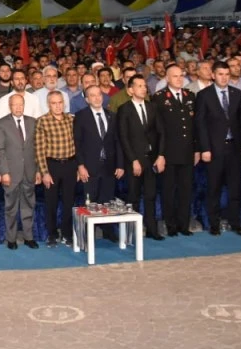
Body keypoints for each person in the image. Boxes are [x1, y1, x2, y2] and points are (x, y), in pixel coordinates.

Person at [195, 62, 241, 236]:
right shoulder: (204, 95)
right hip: (214, 149)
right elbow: (200, 124)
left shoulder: (236, 93)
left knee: (235, 188)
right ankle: (214, 224)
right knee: (214, 189)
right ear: (213, 75)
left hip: (235, 147)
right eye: (220, 74)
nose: (224, 77)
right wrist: (204, 148)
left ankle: (235, 223)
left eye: (227, 74)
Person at [151, 65, 197, 237]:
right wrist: (159, 154)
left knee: (185, 190)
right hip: (168, 152)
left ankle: (183, 225)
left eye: (181, 76)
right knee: (168, 191)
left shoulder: (190, 96)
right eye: (175, 76)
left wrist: (197, 149)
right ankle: (170, 225)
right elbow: (157, 130)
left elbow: (194, 126)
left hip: (187, 151)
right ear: (167, 79)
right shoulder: (160, 98)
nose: (179, 79)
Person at [117, 75, 163, 240]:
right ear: (130, 90)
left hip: (151, 158)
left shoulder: (152, 107)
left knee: (150, 195)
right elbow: (123, 137)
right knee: (133, 197)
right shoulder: (124, 109)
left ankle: (152, 229)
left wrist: (160, 156)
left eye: (145, 86)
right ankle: (133, 232)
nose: (144, 88)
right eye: (139, 86)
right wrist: (133, 160)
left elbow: (161, 133)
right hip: (134, 161)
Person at [73, 85, 123, 234]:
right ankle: (88, 234)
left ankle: (108, 231)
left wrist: (120, 164)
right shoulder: (81, 116)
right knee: (91, 202)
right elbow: (77, 143)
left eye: (99, 94)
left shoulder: (112, 115)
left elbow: (117, 142)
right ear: (87, 99)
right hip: (89, 167)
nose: (96, 98)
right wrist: (80, 165)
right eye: (92, 95)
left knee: (107, 201)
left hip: (109, 166)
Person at [36, 88, 78, 246]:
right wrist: (44, 172)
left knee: (69, 202)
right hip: (52, 165)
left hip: (70, 165)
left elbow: (78, 144)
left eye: (60, 103)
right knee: (51, 202)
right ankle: (52, 234)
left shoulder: (71, 119)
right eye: (54, 103)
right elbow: (39, 150)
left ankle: (67, 234)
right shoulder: (42, 121)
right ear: (48, 105)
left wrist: (78, 167)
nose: (58, 106)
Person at [0, 93, 38, 249]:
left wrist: (38, 171)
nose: (18, 108)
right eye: (15, 105)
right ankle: (11, 239)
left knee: (29, 205)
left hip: (30, 172)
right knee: (10, 207)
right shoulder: (2, 124)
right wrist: (4, 172)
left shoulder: (33, 122)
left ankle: (28, 237)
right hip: (11, 173)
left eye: (21, 104)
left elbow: (38, 149)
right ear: (10, 106)